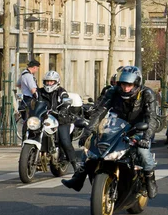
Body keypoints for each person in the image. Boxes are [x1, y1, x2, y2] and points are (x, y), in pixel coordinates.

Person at [62, 66, 159, 199]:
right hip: (117, 125)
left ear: (136, 84)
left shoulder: (147, 94)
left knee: (143, 152)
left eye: (129, 85)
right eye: (123, 84)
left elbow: (151, 117)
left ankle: (149, 178)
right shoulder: (113, 92)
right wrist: (87, 132)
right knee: (91, 146)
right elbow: (100, 112)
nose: (125, 88)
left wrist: (146, 137)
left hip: (140, 127)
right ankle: (78, 177)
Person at [36, 71, 81, 176]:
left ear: (56, 82)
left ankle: (76, 166)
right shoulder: (40, 92)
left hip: (60, 119)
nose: (49, 84)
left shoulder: (61, 91)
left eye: (51, 81)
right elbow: (33, 101)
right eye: (47, 82)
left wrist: (63, 110)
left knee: (65, 141)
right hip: (43, 118)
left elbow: (65, 100)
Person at [17, 59, 40, 137]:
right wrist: (37, 97)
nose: (37, 70)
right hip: (30, 99)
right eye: (37, 68)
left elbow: (18, 84)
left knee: (26, 119)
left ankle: (25, 136)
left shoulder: (23, 74)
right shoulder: (29, 76)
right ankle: (31, 135)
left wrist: (24, 89)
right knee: (32, 118)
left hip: (25, 98)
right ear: (34, 67)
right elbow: (33, 89)